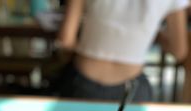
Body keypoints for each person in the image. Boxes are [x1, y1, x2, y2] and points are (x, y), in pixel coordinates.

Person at [52, 0, 189, 102]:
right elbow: (179, 50)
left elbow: (66, 39)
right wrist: (154, 35)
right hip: (131, 87)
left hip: (84, 81)